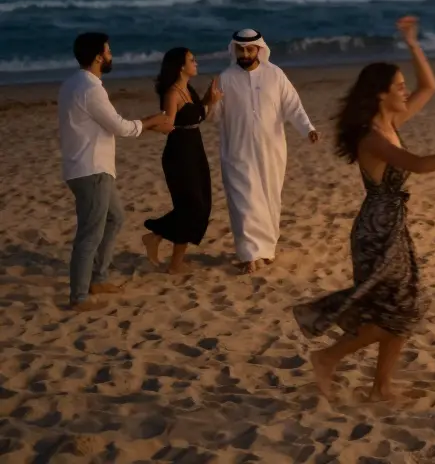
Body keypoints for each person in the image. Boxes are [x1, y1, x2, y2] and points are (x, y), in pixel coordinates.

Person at [294, 17, 435, 402]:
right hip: (376, 231)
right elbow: (417, 164)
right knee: (402, 309)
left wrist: (412, 43)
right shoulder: (372, 137)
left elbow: (429, 86)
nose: (405, 91)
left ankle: (382, 387)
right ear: (381, 94)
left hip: (393, 226)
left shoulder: (391, 121)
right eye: (399, 87)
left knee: (399, 307)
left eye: (403, 86)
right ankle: (328, 358)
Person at [58, 33, 168, 311]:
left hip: (87, 167)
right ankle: (79, 297)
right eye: (108, 51)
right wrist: (152, 121)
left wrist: (147, 125)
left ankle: (98, 277)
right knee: (90, 233)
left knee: (115, 217)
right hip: (90, 169)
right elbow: (120, 127)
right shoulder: (90, 88)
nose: (111, 56)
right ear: (98, 57)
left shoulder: (72, 83)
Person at [211, 29, 320, 274]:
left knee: (269, 199)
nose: (245, 54)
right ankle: (249, 254)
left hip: (272, 150)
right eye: (240, 49)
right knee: (244, 201)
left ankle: (266, 250)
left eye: (249, 49)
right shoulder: (226, 78)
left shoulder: (275, 74)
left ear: (259, 49)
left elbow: (293, 106)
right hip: (237, 149)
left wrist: (308, 129)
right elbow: (215, 117)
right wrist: (211, 102)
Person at [142, 48, 221, 274]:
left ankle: (163, 246)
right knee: (191, 206)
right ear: (180, 66)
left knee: (201, 205)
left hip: (195, 150)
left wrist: (210, 100)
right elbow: (168, 125)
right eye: (192, 60)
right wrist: (144, 126)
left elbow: (197, 116)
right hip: (179, 154)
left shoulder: (188, 88)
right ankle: (163, 246)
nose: (196, 63)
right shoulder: (172, 94)